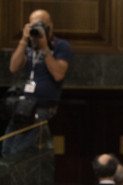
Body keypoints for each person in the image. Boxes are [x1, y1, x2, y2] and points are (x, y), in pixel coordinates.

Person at [2, 9, 71, 156]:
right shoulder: (28, 45)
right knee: (7, 149)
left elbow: (58, 74)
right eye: (33, 25)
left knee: (19, 152)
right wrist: (23, 40)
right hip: (23, 106)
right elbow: (13, 67)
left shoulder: (61, 46)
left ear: (50, 26)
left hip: (42, 107)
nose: (37, 28)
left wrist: (45, 48)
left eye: (41, 24)